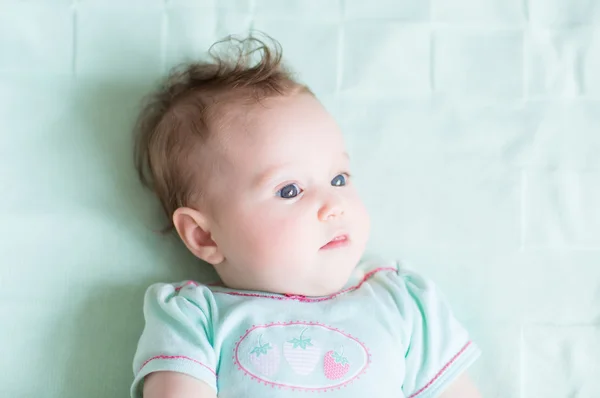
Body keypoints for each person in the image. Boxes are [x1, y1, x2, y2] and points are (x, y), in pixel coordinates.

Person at [130, 34, 482, 398]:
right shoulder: (194, 319)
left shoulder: (403, 303)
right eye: (290, 190)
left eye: (338, 178)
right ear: (205, 236)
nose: (334, 204)